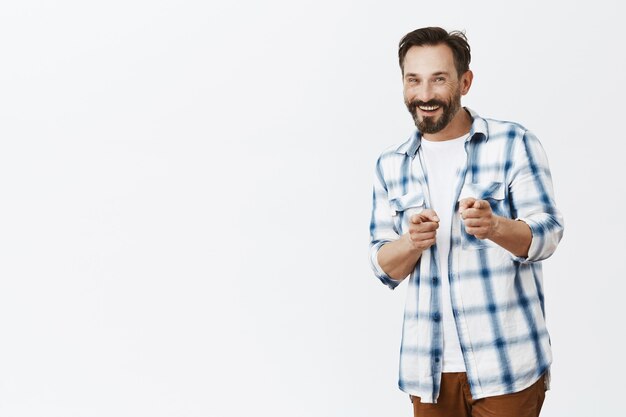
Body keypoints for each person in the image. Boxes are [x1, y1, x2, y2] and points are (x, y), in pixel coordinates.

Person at [368, 27, 564, 417]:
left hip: (508, 365)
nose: (425, 94)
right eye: (414, 80)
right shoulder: (391, 164)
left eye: (438, 79)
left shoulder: (513, 143)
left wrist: (495, 227)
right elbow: (382, 266)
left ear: (465, 81)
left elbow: (548, 234)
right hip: (429, 373)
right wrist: (411, 242)